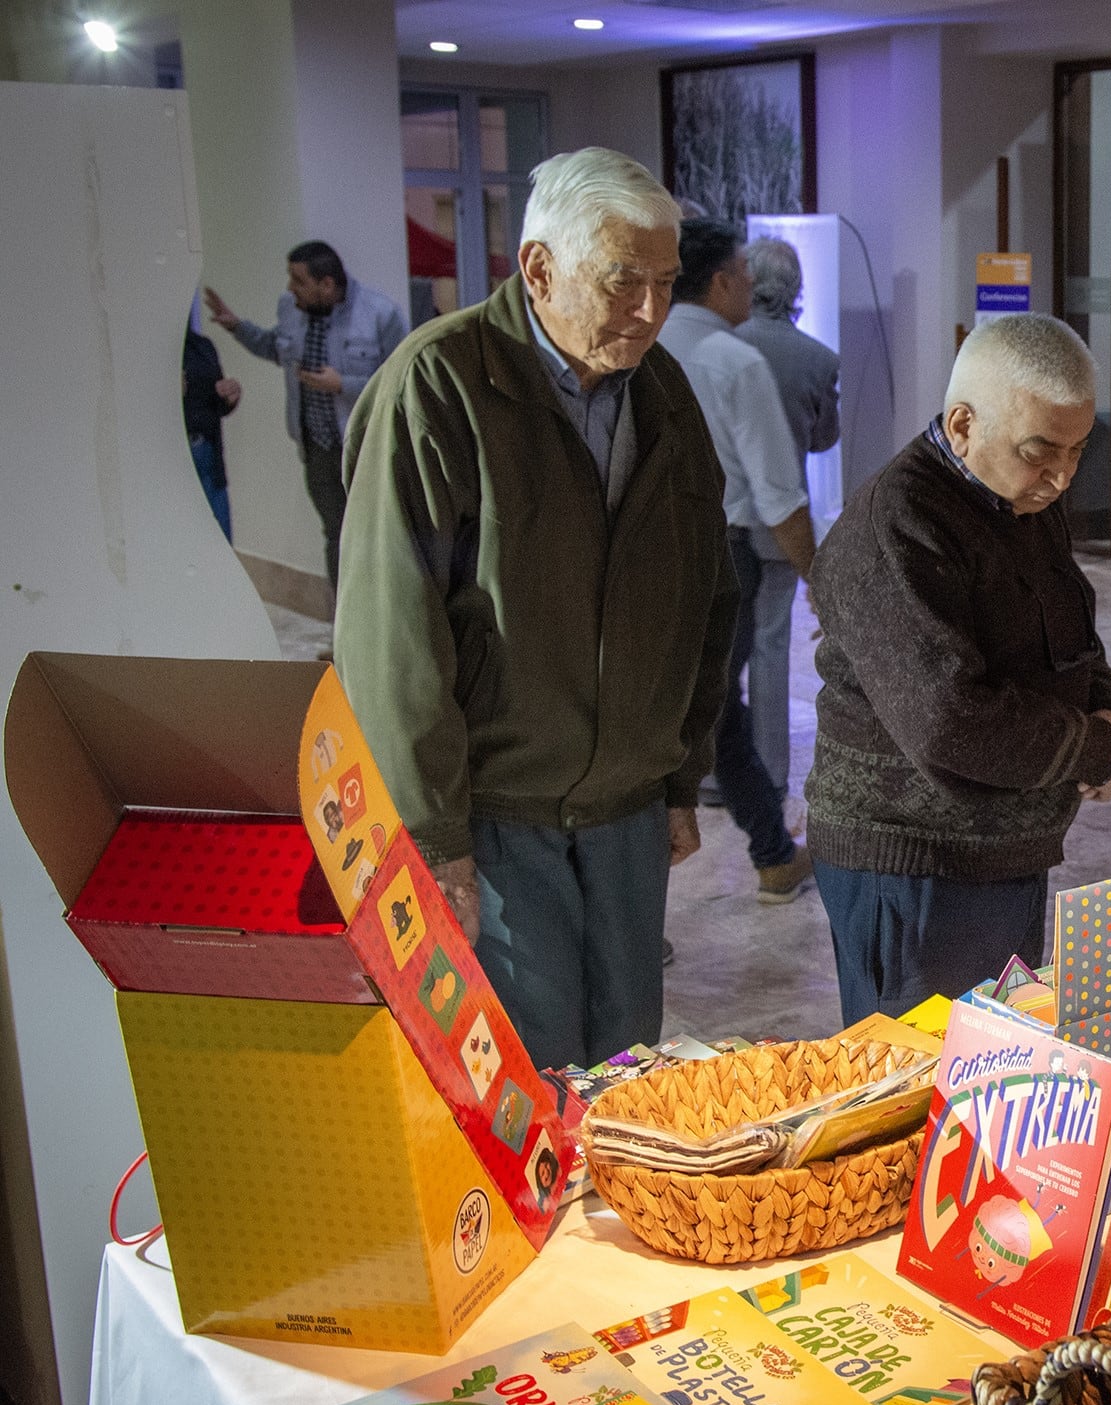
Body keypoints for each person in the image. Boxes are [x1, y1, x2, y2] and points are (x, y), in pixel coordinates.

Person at [333, 147, 738, 1071]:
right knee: (527, 1079)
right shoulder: (438, 384)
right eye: (622, 281)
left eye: (666, 284)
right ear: (539, 269)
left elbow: (705, 597)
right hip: (498, 813)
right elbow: (392, 633)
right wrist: (431, 835)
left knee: (629, 1071)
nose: (649, 311)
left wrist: (679, 775)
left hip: (627, 812)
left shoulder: (664, 392)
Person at [807, 313, 1111, 1024]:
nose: (1061, 476)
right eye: (1040, 451)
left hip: (1003, 850)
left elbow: (1071, 625)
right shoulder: (895, 523)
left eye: (1080, 450)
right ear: (962, 425)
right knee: (925, 1100)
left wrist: (1105, 703)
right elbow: (950, 721)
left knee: (997, 1076)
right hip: (916, 866)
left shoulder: (1020, 496)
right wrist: (1097, 748)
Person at [656, 218, 814, 903]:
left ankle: (773, 850)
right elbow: (779, 493)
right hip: (722, 557)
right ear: (721, 280)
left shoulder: (639, 349)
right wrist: (821, 578)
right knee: (717, 705)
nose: (751, 287)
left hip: (644, 556)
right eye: (745, 274)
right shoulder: (734, 362)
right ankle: (773, 853)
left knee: (694, 707)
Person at [204, 241, 407, 590]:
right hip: (318, 450)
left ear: (326, 284)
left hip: (368, 448)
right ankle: (347, 635)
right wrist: (237, 327)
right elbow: (276, 348)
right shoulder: (290, 308)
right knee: (336, 536)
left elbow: (403, 382)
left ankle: (384, 633)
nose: (289, 289)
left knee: (380, 537)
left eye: (298, 280)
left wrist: (342, 384)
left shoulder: (380, 314)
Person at [734, 235, 842, 798]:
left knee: (719, 653)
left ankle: (714, 772)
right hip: (784, 522)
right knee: (772, 649)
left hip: (724, 518)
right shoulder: (818, 359)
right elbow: (825, 440)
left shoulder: (722, 347)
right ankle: (771, 774)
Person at [181, 313, 240, 540]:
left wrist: (229, 398)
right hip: (175, 462)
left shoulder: (202, 347)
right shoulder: (147, 355)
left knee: (220, 540)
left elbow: (215, 402)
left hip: (209, 457)